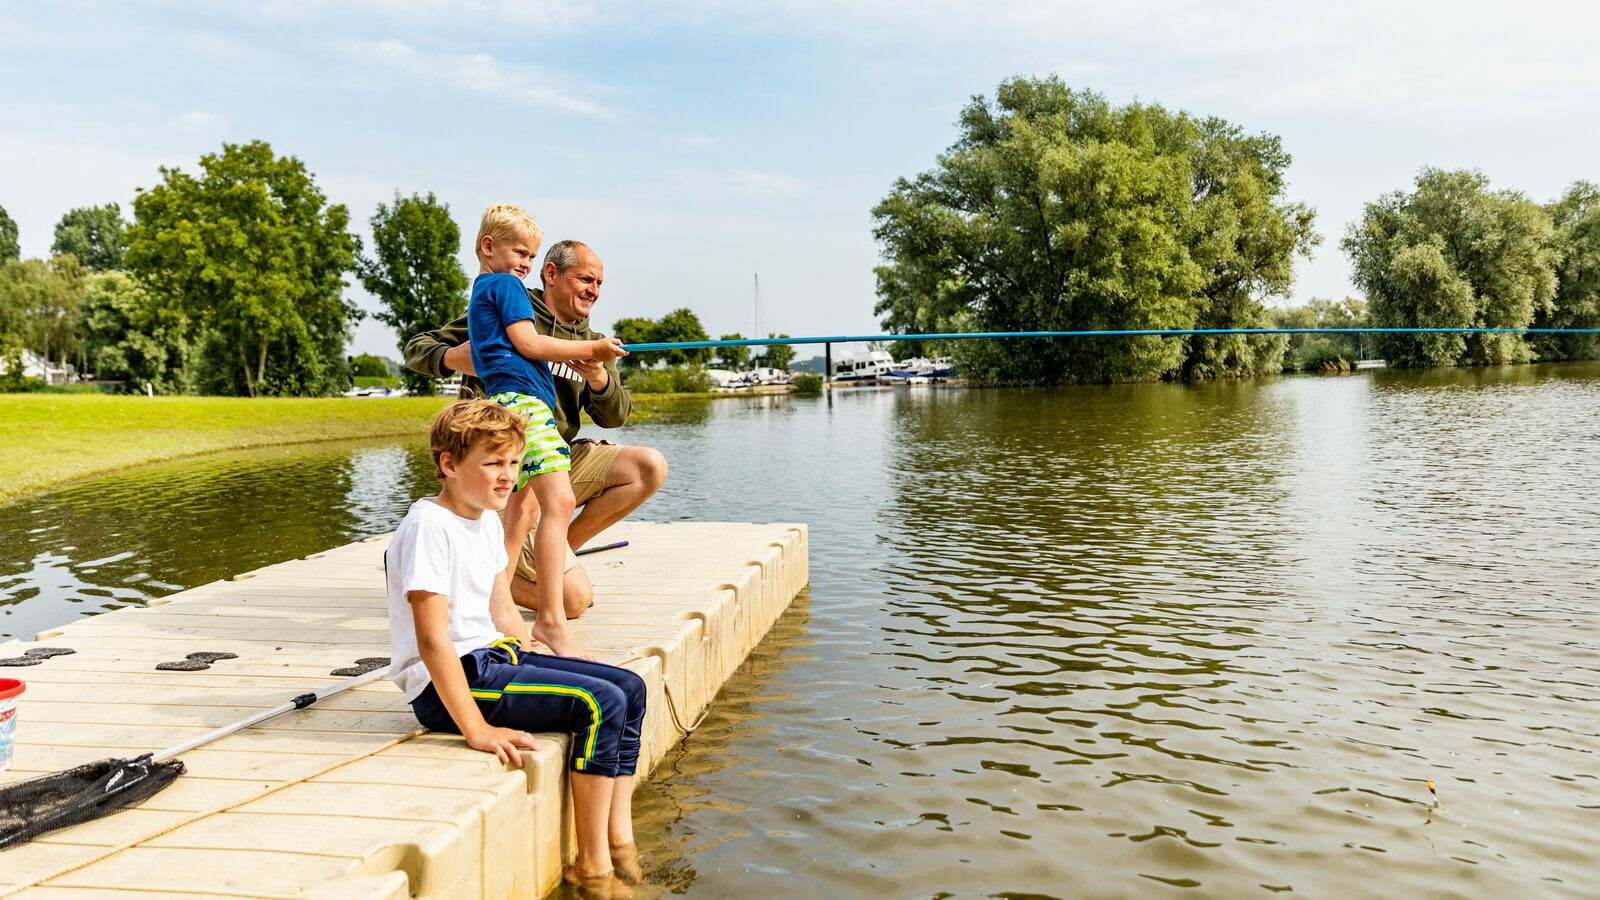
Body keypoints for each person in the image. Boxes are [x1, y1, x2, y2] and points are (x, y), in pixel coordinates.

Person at [387, 399, 645, 893]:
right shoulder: (427, 527)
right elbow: (432, 638)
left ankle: (619, 837)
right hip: (448, 686)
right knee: (599, 702)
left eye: (513, 463)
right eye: (493, 464)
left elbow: (501, 609)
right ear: (448, 465)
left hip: (492, 660)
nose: (508, 477)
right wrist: (477, 729)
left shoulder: (485, 518)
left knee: (629, 687)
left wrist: (551, 659)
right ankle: (592, 866)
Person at [405, 239, 667, 621]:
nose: (593, 290)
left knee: (649, 466)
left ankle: (555, 550)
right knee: (574, 601)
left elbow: (616, 416)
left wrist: (599, 379)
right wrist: (456, 357)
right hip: (501, 467)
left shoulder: (594, 343)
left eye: (599, 283)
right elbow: (417, 348)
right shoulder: (507, 305)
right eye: (585, 279)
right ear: (551, 274)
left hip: (553, 458)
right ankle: (488, 578)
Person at [466, 205, 626, 658]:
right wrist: (592, 346)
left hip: (507, 402)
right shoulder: (508, 287)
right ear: (488, 246)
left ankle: (498, 613)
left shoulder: (485, 287)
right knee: (557, 504)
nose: (526, 265)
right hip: (524, 403)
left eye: (531, 257)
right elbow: (530, 343)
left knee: (520, 516)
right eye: (520, 252)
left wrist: (594, 369)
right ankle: (552, 623)